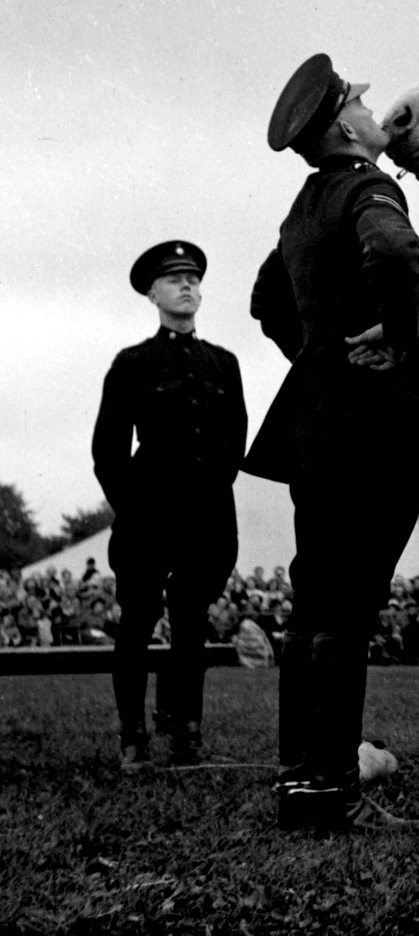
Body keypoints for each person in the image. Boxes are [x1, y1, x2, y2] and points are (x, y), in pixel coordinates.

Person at [244, 53, 419, 831]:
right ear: (346, 125)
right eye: (365, 108)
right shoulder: (371, 189)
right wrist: (396, 340)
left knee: (315, 601)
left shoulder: (303, 206)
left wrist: (319, 357)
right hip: (378, 427)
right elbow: (397, 253)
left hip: (315, 428)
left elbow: (265, 300)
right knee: (347, 606)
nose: (380, 117)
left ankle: (301, 775)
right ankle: (332, 787)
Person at [92, 240, 247, 770]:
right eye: (175, 279)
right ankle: (133, 740)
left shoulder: (223, 363)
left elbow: (234, 443)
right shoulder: (133, 363)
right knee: (136, 623)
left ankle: (188, 735)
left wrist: (207, 497)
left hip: (206, 515)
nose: (187, 286)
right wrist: (133, 509)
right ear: (153, 294)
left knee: (191, 623)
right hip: (147, 515)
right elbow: (107, 451)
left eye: (194, 279)